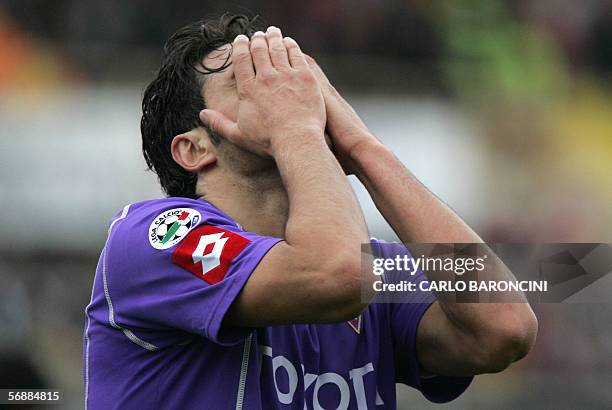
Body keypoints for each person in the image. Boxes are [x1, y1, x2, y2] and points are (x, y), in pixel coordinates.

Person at [83, 14, 537, 409]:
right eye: (248, 80)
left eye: (293, 75)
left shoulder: (373, 264)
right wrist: (297, 128)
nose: (290, 90)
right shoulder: (156, 237)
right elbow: (336, 275)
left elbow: (504, 328)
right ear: (194, 148)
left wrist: (363, 148)